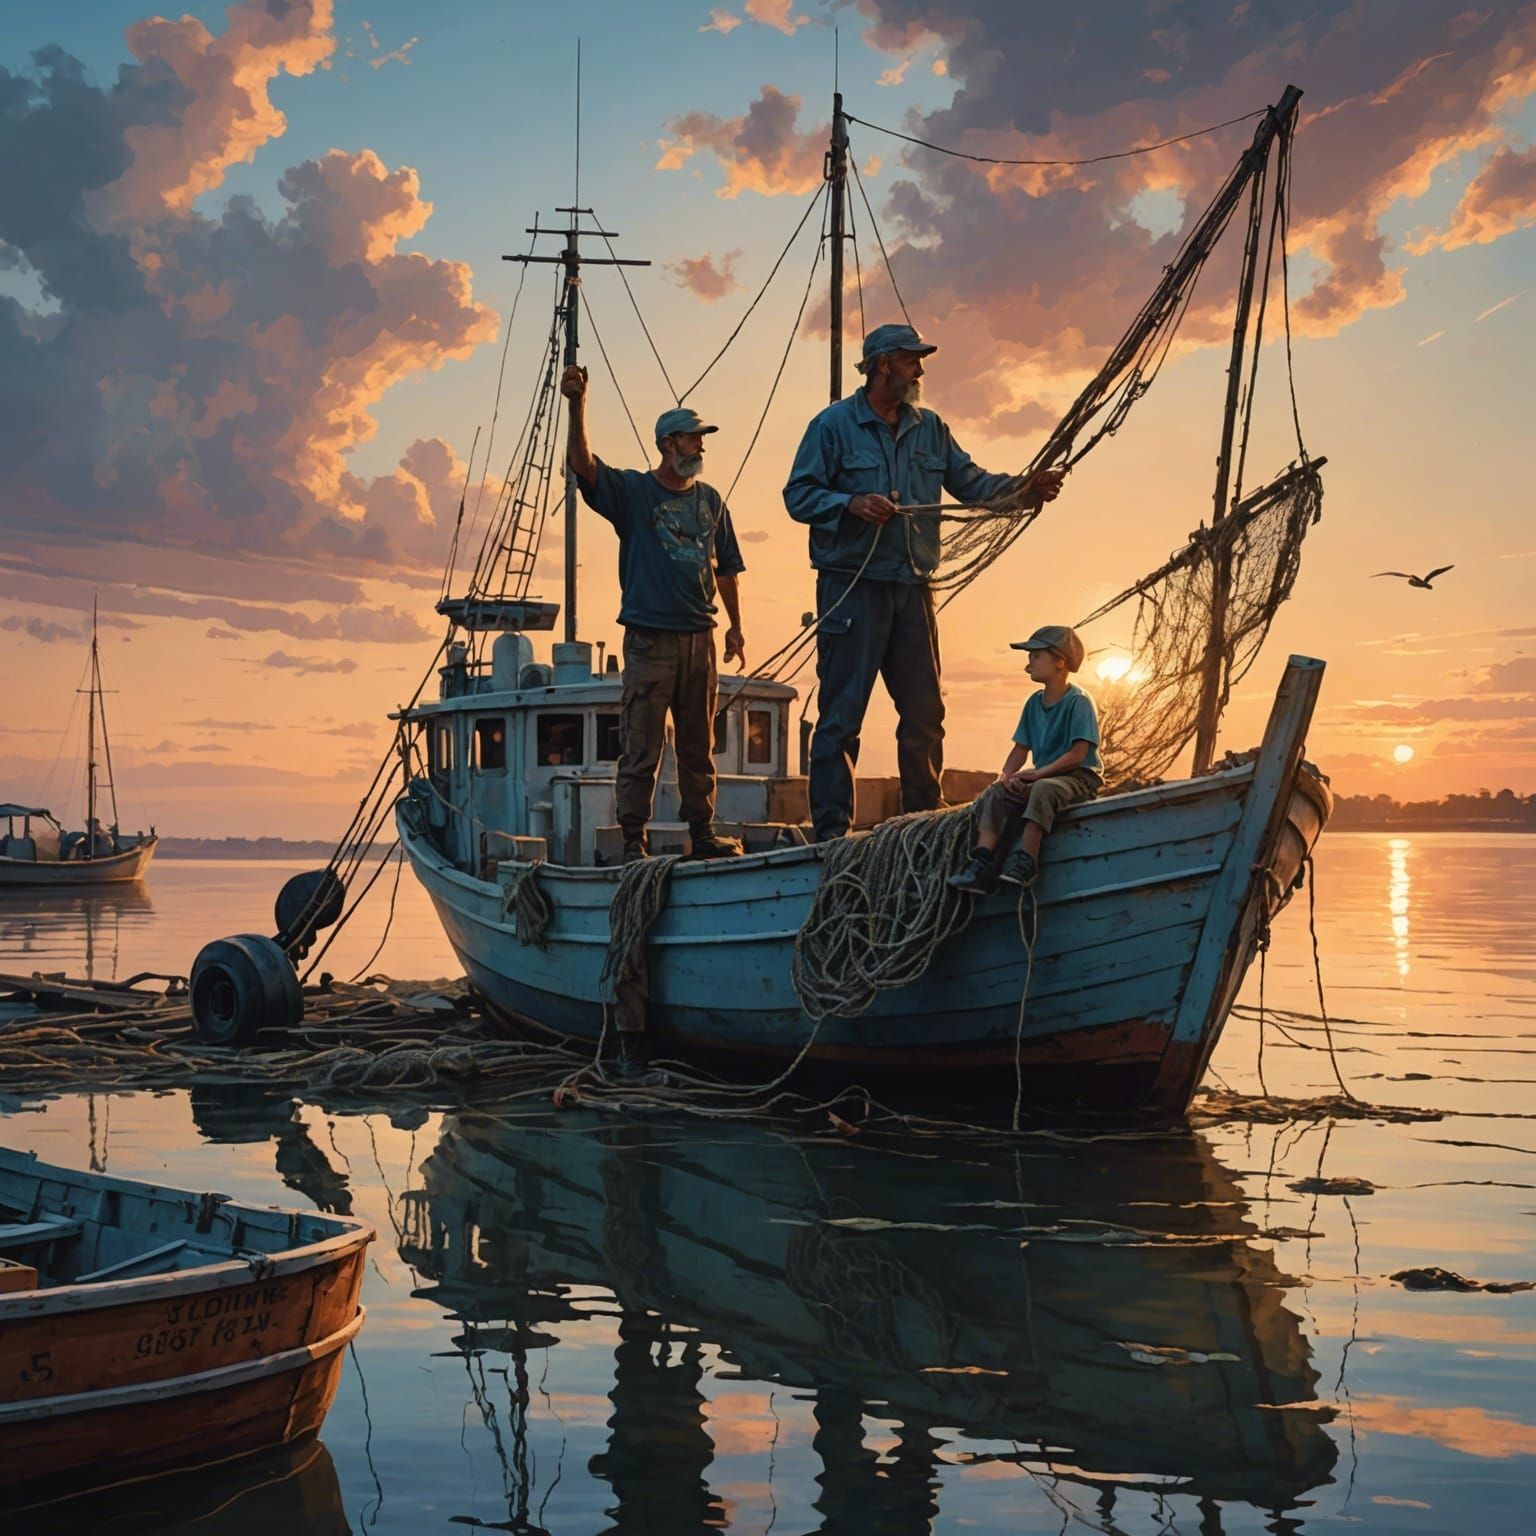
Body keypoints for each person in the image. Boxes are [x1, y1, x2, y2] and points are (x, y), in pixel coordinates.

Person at [783, 322, 1065, 842]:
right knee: (842, 716)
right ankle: (830, 837)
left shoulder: (930, 427)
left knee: (925, 712)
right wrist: (850, 504)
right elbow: (797, 495)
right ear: (883, 364)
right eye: (912, 360)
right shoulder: (832, 426)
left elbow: (973, 483)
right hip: (852, 589)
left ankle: (922, 827)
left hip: (912, 588)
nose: (920, 369)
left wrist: (1027, 489)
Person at [561, 362, 746, 862]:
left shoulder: (711, 501)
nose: (701, 446)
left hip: (700, 639)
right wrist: (577, 405)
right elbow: (583, 465)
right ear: (668, 444)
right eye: (693, 438)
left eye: (701, 439)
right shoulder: (634, 493)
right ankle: (632, 842)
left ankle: (702, 835)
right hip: (650, 640)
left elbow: (726, 569)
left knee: (698, 746)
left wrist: (735, 628)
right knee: (642, 745)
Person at [947, 625, 1102, 895]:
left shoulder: (1079, 701)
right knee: (996, 793)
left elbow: (1077, 755)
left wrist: (1039, 774)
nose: (1028, 664)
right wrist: (1006, 777)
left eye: (1036, 656)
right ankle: (981, 864)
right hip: (1046, 775)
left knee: (1042, 790)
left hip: (1079, 778)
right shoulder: (1033, 703)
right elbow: (1020, 750)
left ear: (1060, 662)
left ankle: (1026, 861)